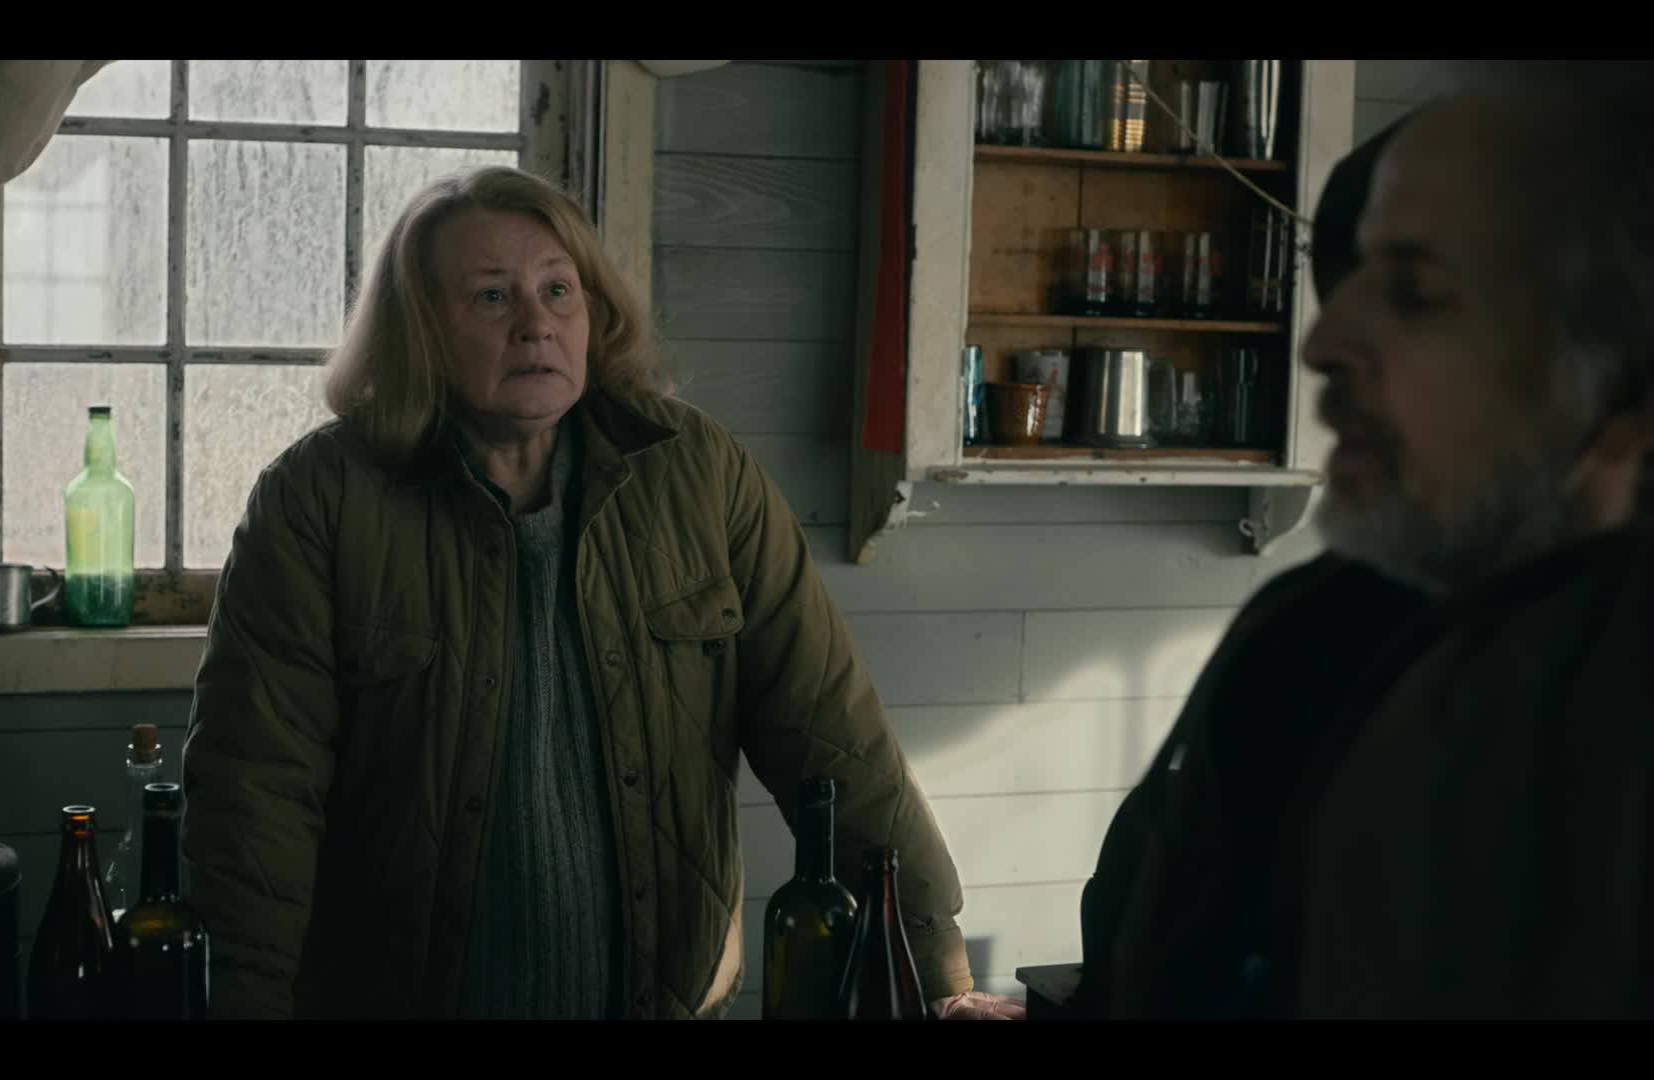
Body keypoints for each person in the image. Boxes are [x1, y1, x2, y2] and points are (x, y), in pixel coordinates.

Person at [178, 163, 1021, 1020]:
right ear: (419, 331)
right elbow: (254, 800)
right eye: (492, 297)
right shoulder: (320, 499)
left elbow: (833, 733)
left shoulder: (700, 474)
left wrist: (937, 975)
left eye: (558, 290)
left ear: (595, 313)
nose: (536, 324)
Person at [1074, 62, 1654, 1019]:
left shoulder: (1596, 709)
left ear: (1627, 384)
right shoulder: (1310, 632)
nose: (1320, 343)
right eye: (1346, 282)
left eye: (1416, 293)